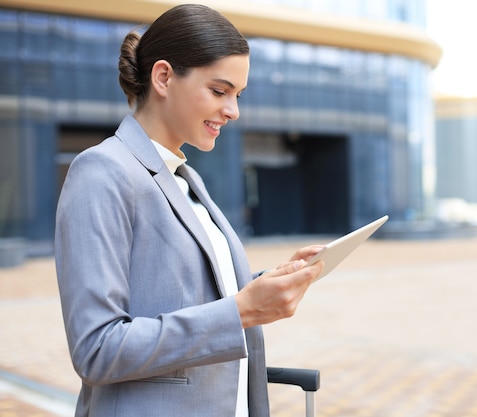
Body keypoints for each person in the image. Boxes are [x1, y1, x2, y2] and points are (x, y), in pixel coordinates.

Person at [54, 4, 324, 417]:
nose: (233, 110)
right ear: (163, 77)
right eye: (219, 91)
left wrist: (265, 284)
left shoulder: (184, 178)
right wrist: (241, 310)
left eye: (238, 95)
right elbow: (97, 349)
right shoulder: (102, 172)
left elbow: (188, 293)